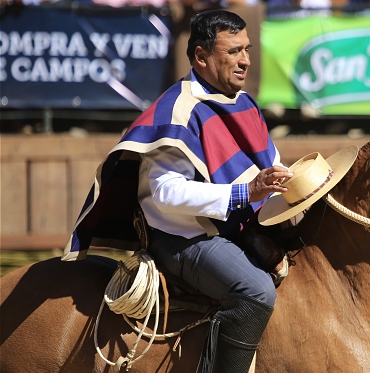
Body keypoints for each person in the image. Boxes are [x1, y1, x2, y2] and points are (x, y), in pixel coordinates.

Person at [63, 10, 291, 373]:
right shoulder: (177, 110)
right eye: (232, 52)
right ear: (201, 57)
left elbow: (270, 165)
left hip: (234, 225)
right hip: (183, 238)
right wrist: (243, 193)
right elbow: (165, 193)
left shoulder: (244, 102)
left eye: (246, 49)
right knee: (256, 291)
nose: (245, 60)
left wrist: (297, 185)